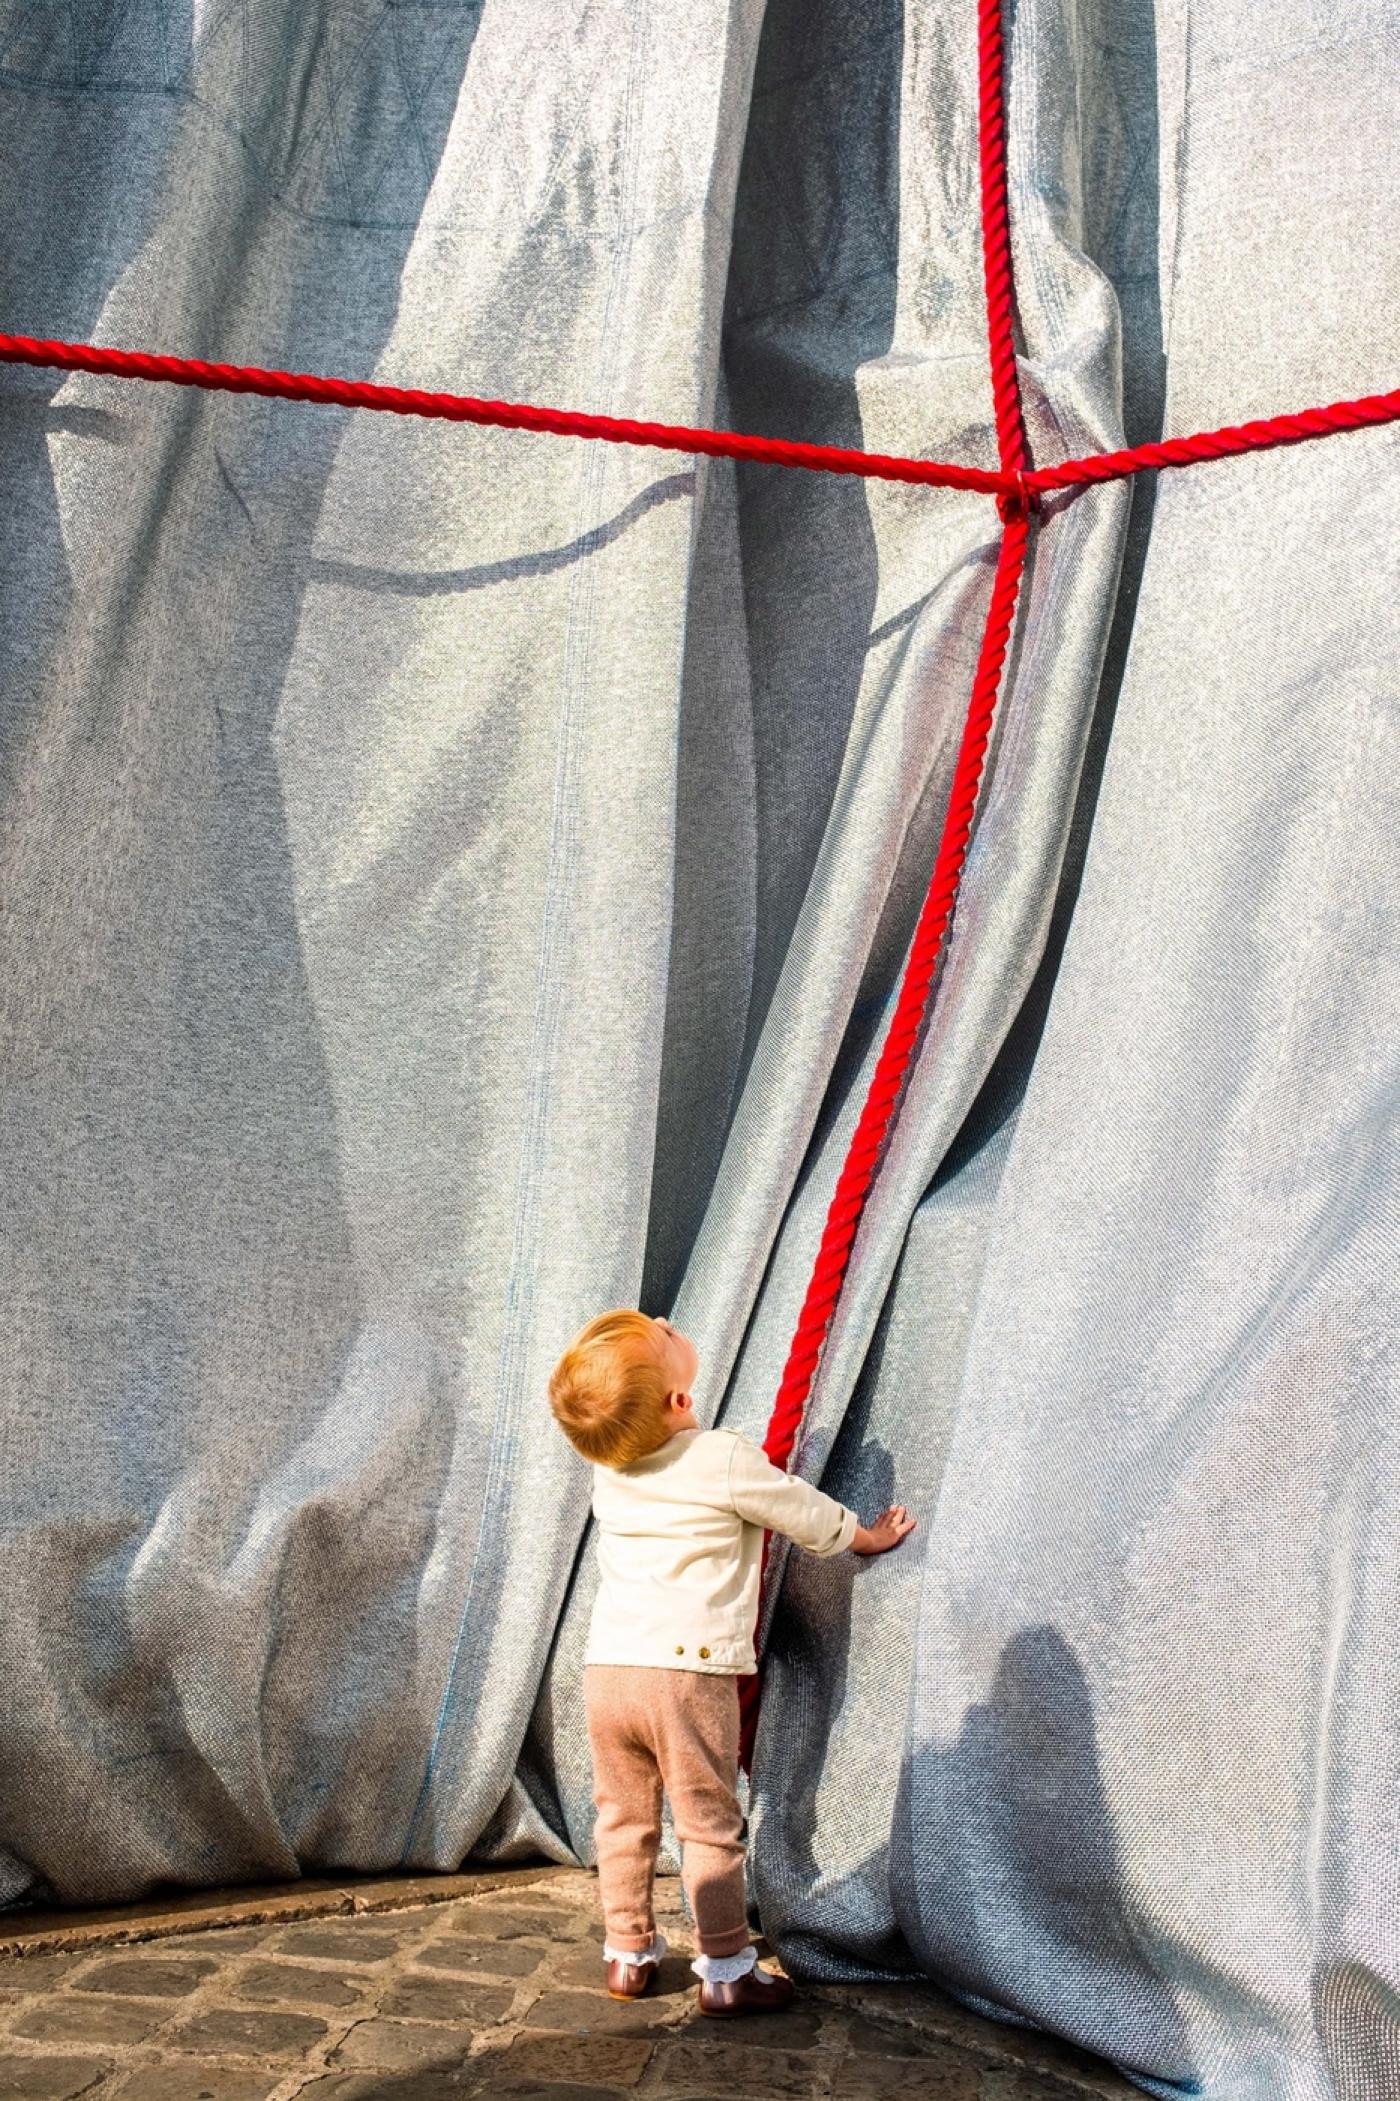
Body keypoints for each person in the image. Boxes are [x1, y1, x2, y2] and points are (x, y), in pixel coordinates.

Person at [548, 1307, 916, 2016]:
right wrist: (862, 1535)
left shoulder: (608, 1473)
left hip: (609, 1670)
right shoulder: (720, 1457)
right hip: (685, 1675)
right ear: (680, 1400)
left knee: (621, 1817)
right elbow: (797, 1507)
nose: (665, 1318)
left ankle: (626, 1951)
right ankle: (724, 1965)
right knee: (707, 1821)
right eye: (663, 1333)